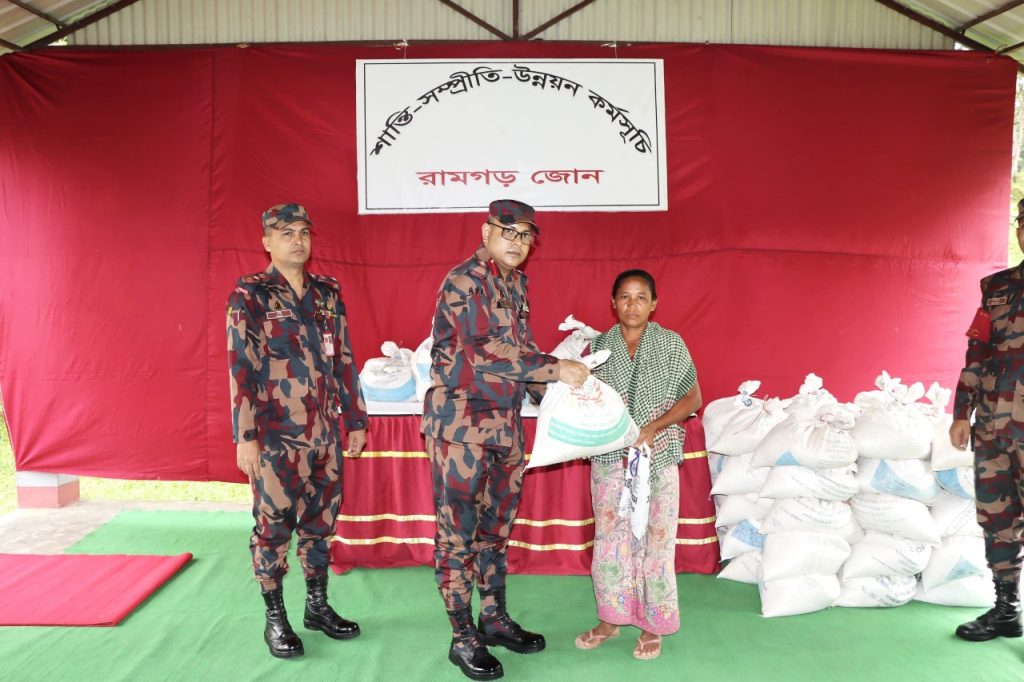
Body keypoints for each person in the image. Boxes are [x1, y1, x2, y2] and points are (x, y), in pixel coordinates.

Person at [422, 199, 590, 680]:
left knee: (496, 532)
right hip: (460, 429)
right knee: (458, 538)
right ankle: (462, 637)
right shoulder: (465, 280)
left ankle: (492, 618)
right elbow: (485, 353)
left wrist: (558, 392)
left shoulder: (515, 283)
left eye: (525, 236)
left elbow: (520, 349)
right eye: (508, 231)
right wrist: (558, 371)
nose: (517, 242)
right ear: (486, 231)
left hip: (504, 427)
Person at [227, 203, 369, 659]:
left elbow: (343, 358)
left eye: (304, 232)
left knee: (320, 524)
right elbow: (240, 368)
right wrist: (245, 437)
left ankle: (317, 607)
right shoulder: (250, 294)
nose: (297, 240)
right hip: (275, 437)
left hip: (325, 433)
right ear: (266, 241)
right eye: (285, 233)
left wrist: (356, 420)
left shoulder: (327, 292)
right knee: (272, 528)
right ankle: (275, 620)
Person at [574, 269, 701, 661]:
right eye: (625, 297)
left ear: (654, 303)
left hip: (658, 457)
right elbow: (585, 400)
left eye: (641, 297)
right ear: (613, 303)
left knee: (655, 540)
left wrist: (652, 427)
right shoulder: (599, 347)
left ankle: (652, 624)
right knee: (611, 539)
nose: (633, 305)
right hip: (611, 459)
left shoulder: (671, 344)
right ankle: (611, 619)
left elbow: (693, 398)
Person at [950, 198, 1024, 643]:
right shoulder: (996, 287)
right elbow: (977, 352)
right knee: (997, 517)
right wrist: (962, 412)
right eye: (1022, 222)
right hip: (995, 427)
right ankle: (1005, 610)